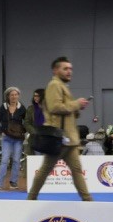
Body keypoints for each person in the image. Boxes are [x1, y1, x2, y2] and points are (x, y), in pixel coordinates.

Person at [27, 57, 93, 202]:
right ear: (55, 70)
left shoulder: (62, 86)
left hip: (69, 139)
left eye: (70, 69)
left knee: (76, 171)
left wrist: (78, 107)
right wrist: (76, 104)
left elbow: (66, 110)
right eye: (65, 68)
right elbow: (54, 107)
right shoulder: (54, 85)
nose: (69, 71)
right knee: (45, 170)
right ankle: (31, 198)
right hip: (59, 138)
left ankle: (88, 201)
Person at [0, 87, 26, 190]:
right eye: (12, 95)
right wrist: (1, 132)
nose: (14, 96)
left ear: (18, 96)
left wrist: (24, 132)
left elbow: (27, 122)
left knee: (16, 160)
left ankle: (13, 182)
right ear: (8, 96)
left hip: (18, 139)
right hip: (6, 139)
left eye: (16, 94)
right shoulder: (3, 107)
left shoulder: (22, 108)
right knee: (4, 160)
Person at [22, 88, 46, 156]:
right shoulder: (31, 108)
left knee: (47, 161)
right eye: (34, 96)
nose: (35, 98)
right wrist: (34, 131)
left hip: (47, 138)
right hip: (35, 138)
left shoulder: (49, 108)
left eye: (38, 96)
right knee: (37, 159)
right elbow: (26, 123)